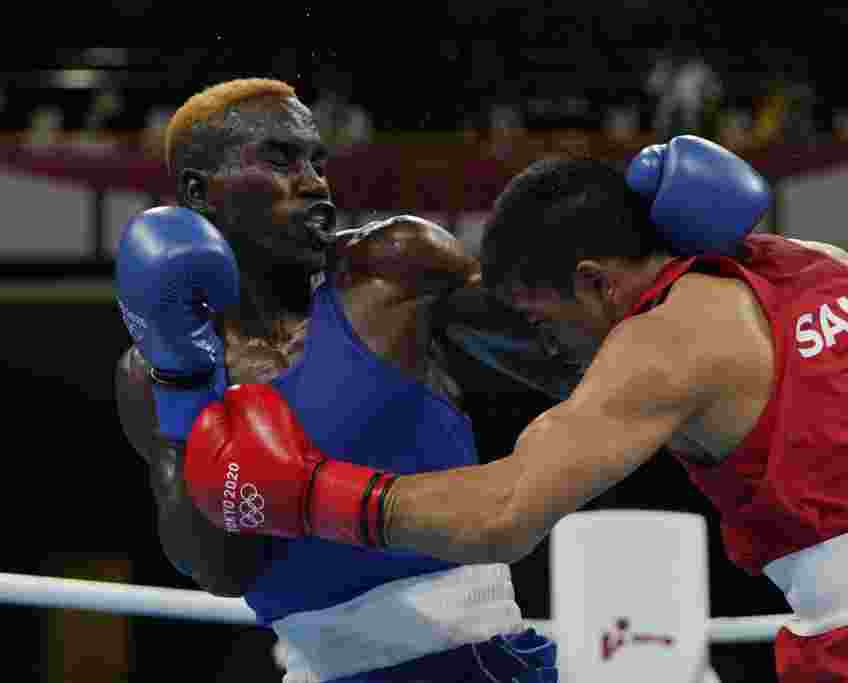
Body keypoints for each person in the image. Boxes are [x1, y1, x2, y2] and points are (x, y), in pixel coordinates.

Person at [183, 134, 848, 681]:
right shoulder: (829, 262)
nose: (557, 351)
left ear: (593, 279)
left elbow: (502, 515)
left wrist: (309, 489)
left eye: (550, 322)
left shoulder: (661, 336)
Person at [115, 78, 561, 682]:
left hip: (479, 662)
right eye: (280, 159)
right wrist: (185, 382)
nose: (313, 179)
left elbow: (568, 357)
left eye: (316, 160)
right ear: (200, 190)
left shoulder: (392, 272)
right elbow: (222, 573)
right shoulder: (153, 370)